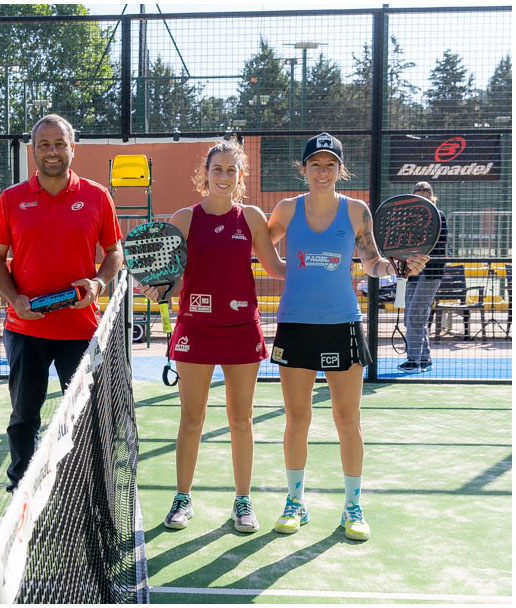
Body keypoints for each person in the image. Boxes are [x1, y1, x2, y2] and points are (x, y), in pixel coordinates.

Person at [266, 133, 429, 541]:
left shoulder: (357, 211)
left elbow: (372, 262)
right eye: (315, 164)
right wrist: (287, 270)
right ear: (303, 169)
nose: (322, 172)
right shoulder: (285, 210)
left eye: (330, 165)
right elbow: (263, 252)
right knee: (297, 419)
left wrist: (396, 268)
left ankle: (353, 507)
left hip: (342, 324)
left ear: (341, 170)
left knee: (348, 419)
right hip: (296, 325)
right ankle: (295, 503)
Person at [140, 139, 286, 533]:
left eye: (230, 170)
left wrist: (320, 265)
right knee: (192, 419)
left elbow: (276, 267)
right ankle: (182, 498)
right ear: (205, 174)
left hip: (241, 329)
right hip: (195, 330)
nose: (223, 176)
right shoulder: (185, 218)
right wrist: (157, 289)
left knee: (241, 419)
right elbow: (168, 279)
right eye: (217, 169)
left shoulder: (251, 217)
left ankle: (243, 501)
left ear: (241, 175)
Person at [0, 114, 124, 492]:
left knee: (83, 415)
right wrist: (14, 298)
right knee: (24, 415)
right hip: (25, 328)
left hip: (80, 330)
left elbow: (114, 252)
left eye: (60, 144)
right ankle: (21, 488)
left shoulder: (97, 196)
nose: (52, 151)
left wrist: (98, 283)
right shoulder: (11, 199)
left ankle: (86, 487)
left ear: (72, 148)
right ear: (33, 150)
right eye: (44, 144)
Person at [398, 181, 448, 373]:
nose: (421, 199)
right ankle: (424, 359)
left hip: (430, 273)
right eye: (418, 196)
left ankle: (414, 361)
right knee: (411, 315)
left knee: (416, 315)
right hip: (411, 273)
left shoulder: (438, 216)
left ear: (431, 196)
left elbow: (431, 244)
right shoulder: (410, 219)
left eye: (425, 195)